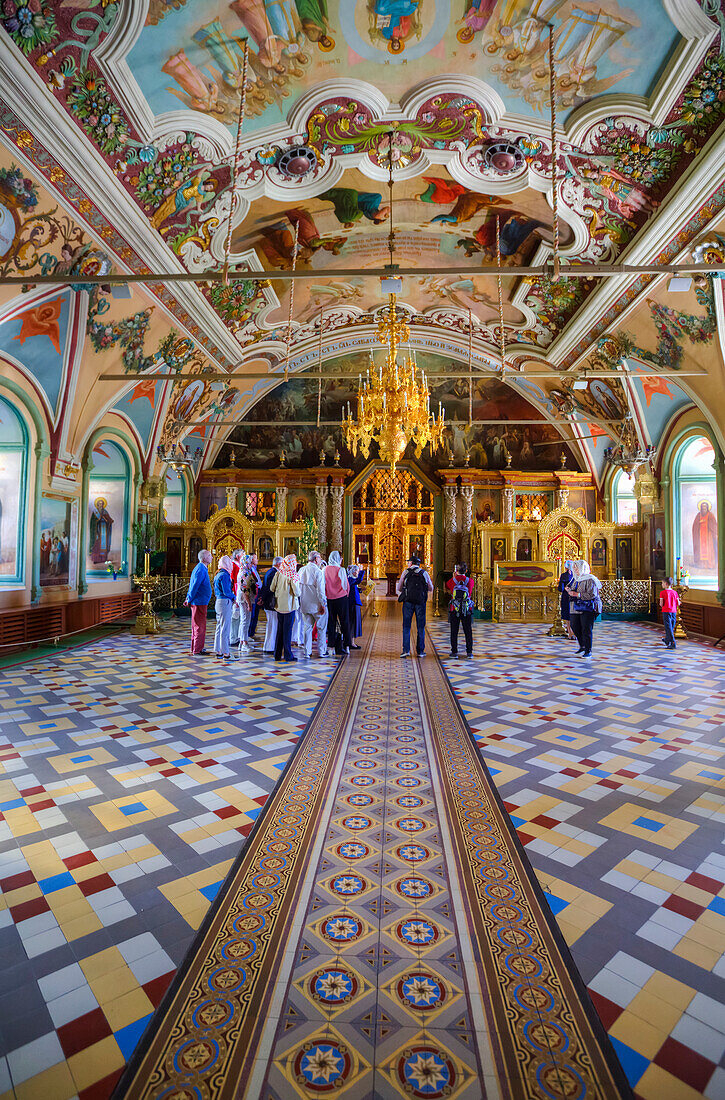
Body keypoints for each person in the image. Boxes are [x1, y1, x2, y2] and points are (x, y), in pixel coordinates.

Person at [397, 555, 433, 658]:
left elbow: (399, 588)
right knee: (421, 626)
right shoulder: (424, 573)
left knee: (406, 626)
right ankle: (421, 651)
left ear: (411, 563)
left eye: (409, 562)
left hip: (408, 602)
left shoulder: (406, 572)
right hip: (420, 602)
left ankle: (406, 650)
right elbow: (430, 588)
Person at [566, 561, 602, 660]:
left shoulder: (590, 579)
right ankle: (582, 645)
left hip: (588, 607)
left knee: (586, 628)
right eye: (575, 568)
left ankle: (588, 650)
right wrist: (569, 590)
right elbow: (573, 589)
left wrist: (578, 595)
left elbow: (592, 594)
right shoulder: (576, 579)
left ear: (583, 568)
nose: (575, 570)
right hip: (576, 607)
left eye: (577, 568)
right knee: (574, 625)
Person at [298, 551, 329, 658]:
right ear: (316, 559)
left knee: (307, 628)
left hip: (304, 604)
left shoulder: (301, 570)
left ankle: (307, 652)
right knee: (321, 628)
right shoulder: (318, 571)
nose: (320, 560)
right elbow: (321, 591)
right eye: (320, 558)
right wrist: (323, 604)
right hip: (317, 606)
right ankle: (321, 651)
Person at [271, 554, 301, 662]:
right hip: (289, 606)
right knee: (287, 631)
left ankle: (277, 654)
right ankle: (288, 655)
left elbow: (272, 587)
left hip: (279, 605)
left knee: (280, 630)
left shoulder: (278, 573)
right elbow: (297, 592)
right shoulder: (292, 575)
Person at [184, 549, 212, 655]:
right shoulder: (200, 569)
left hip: (200, 601)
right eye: (209, 555)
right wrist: (189, 598)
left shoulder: (202, 568)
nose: (212, 557)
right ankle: (197, 649)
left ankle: (197, 647)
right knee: (199, 626)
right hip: (199, 602)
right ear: (204, 558)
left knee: (199, 625)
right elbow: (194, 586)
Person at [325, 550, 352, 654]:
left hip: (329, 599)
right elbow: (346, 586)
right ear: (338, 559)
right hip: (341, 598)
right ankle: (347, 645)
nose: (341, 560)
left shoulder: (325, 569)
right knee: (345, 621)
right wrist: (346, 594)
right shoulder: (341, 569)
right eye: (340, 558)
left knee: (331, 622)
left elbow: (323, 584)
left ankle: (331, 647)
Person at [446, 562, 474, 658]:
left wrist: (454, 577)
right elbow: (470, 592)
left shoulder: (452, 581)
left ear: (456, 571)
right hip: (467, 608)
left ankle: (454, 652)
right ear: (466, 571)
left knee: (454, 630)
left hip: (455, 608)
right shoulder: (470, 581)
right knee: (468, 631)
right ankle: (469, 652)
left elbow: (448, 586)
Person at [213, 554, 236, 661]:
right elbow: (227, 591)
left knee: (219, 627)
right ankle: (226, 653)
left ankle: (218, 650)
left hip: (218, 601)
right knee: (225, 628)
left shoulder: (218, 574)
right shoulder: (225, 575)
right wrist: (234, 597)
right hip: (225, 602)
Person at [259, 556, 282, 654]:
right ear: (279, 564)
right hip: (271, 602)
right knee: (272, 625)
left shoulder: (270, 571)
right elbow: (270, 589)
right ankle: (269, 647)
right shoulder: (274, 573)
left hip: (268, 602)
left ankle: (270, 646)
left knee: (272, 625)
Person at [347, 563, 365, 649]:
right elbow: (357, 581)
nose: (357, 573)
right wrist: (361, 571)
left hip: (354, 603)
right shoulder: (350, 579)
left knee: (354, 623)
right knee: (353, 623)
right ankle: (351, 642)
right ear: (353, 572)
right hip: (353, 603)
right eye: (357, 571)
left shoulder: (351, 579)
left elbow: (354, 587)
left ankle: (352, 642)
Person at [659, 577, 680, 650]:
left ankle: (673, 642)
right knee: (671, 626)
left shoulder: (662, 593)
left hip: (666, 611)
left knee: (668, 627)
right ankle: (667, 640)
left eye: (662, 583)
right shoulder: (675, 592)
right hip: (674, 611)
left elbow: (661, 604)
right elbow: (678, 603)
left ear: (666, 584)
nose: (662, 584)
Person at [230, 548, 244, 648]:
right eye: (243, 555)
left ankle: (237, 637)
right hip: (235, 595)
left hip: (237, 595)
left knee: (238, 618)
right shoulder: (234, 565)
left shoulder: (238, 565)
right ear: (238, 556)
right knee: (234, 617)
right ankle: (233, 638)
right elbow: (234, 582)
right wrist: (236, 597)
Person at [558, 559, 576, 640]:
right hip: (574, 597)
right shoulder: (576, 575)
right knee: (573, 614)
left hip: (566, 597)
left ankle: (569, 632)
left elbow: (560, 589)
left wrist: (565, 588)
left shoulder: (563, 576)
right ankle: (574, 633)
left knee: (567, 615)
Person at [247, 553, 262, 642]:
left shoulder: (254, 568)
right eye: (255, 558)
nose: (257, 560)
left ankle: (252, 633)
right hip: (253, 593)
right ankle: (248, 634)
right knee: (252, 615)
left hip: (257, 592)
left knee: (256, 614)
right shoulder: (249, 570)